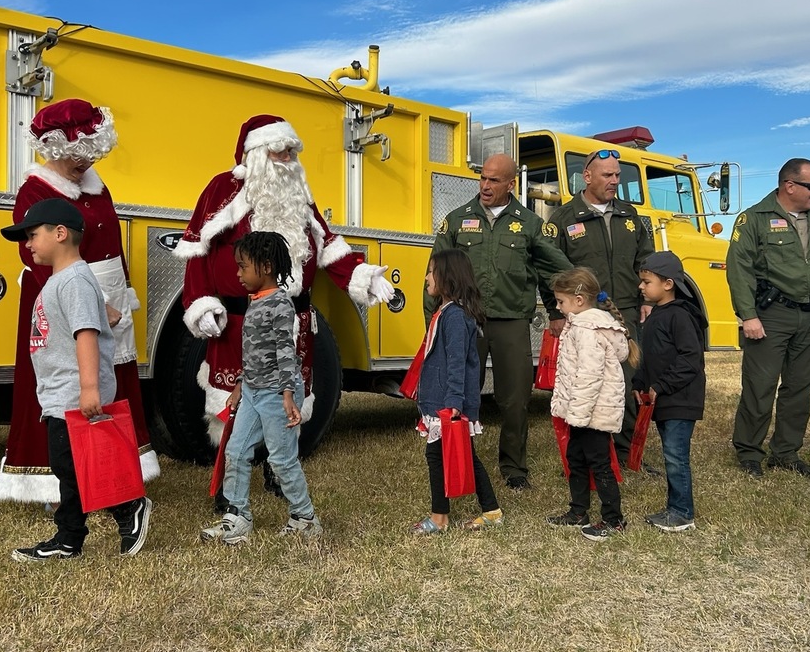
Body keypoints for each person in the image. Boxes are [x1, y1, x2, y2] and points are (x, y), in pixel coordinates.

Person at [176, 114, 394, 447]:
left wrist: (362, 275)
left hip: (293, 321)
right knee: (234, 400)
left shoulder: (298, 195)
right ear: (258, 153)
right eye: (281, 152)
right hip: (239, 322)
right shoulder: (224, 189)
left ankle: (278, 466)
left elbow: (328, 245)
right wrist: (201, 302)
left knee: (288, 396)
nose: (289, 160)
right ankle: (233, 470)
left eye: (292, 152)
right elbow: (198, 251)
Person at [0, 99, 158, 504]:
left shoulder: (97, 185)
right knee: (66, 385)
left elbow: (111, 244)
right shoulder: (36, 191)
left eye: (90, 154)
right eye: (76, 155)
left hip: (109, 297)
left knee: (110, 382)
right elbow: (33, 257)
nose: (84, 163)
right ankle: (56, 481)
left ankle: (111, 471)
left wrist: (119, 295)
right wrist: (94, 302)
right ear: (54, 148)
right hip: (65, 299)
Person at [3, 199, 152, 561]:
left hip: (73, 392)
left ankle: (127, 508)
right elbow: (91, 317)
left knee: (74, 467)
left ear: (60, 233)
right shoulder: (67, 280)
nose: (29, 244)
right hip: (59, 391)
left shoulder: (73, 280)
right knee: (71, 467)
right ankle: (70, 538)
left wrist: (89, 388)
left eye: (33, 235)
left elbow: (85, 332)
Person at [428, 153, 571, 490]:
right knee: (460, 394)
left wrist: (560, 309)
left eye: (494, 180)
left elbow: (552, 268)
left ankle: (514, 468)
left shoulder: (530, 225)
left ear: (511, 184)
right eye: (483, 178)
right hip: (465, 321)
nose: (486, 185)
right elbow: (436, 271)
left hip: (511, 322)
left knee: (515, 398)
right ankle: (461, 460)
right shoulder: (458, 220)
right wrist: (432, 324)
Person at [726, 157, 810, 478]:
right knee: (760, 386)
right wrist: (747, 315)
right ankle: (750, 452)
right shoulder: (753, 219)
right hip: (770, 316)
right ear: (789, 186)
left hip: (808, 318)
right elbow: (739, 267)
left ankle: (786, 451)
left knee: (799, 388)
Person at [201, 232, 322, 544]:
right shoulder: (254, 303)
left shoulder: (281, 305)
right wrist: (241, 385)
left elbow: (285, 350)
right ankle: (237, 517)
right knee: (236, 451)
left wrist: (287, 395)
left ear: (266, 267)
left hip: (276, 393)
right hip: (254, 392)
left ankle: (304, 517)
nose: (238, 274)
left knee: (281, 459)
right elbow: (253, 352)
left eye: (243, 267)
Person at [546, 148, 655, 470]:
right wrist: (557, 313)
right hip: (584, 319)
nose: (615, 181)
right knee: (588, 384)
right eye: (608, 175)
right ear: (587, 177)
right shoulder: (564, 219)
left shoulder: (630, 215)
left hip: (626, 313)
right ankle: (592, 456)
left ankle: (624, 454)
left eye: (618, 175)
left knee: (626, 381)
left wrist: (647, 300)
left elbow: (645, 260)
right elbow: (550, 268)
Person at [410, 249, 503, 534]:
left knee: (437, 457)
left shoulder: (453, 317)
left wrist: (452, 402)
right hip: (442, 401)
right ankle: (491, 511)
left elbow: (456, 365)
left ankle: (440, 518)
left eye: (431, 271)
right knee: (463, 455)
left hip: (446, 404)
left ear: (447, 277)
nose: (426, 277)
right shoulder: (447, 313)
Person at [545, 267, 638, 542]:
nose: (559, 308)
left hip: (591, 413)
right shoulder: (582, 325)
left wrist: (578, 414)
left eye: (560, 302)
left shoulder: (587, 328)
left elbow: (589, 375)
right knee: (576, 458)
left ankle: (614, 519)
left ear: (579, 299)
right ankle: (578, 511)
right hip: (583, 412)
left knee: (599, 463)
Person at [632, 252, 706, 532]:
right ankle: (674, 507)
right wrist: (639, 383)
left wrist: (661, 386)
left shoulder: (681, 316)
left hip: (681, 399)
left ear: (668, 284)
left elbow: (690, 360)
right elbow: (649, 357)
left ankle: (682, 513)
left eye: (646, 281)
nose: (641, 287)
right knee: (669, 454)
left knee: (676, 457)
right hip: (664, 400)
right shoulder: (656, 315)